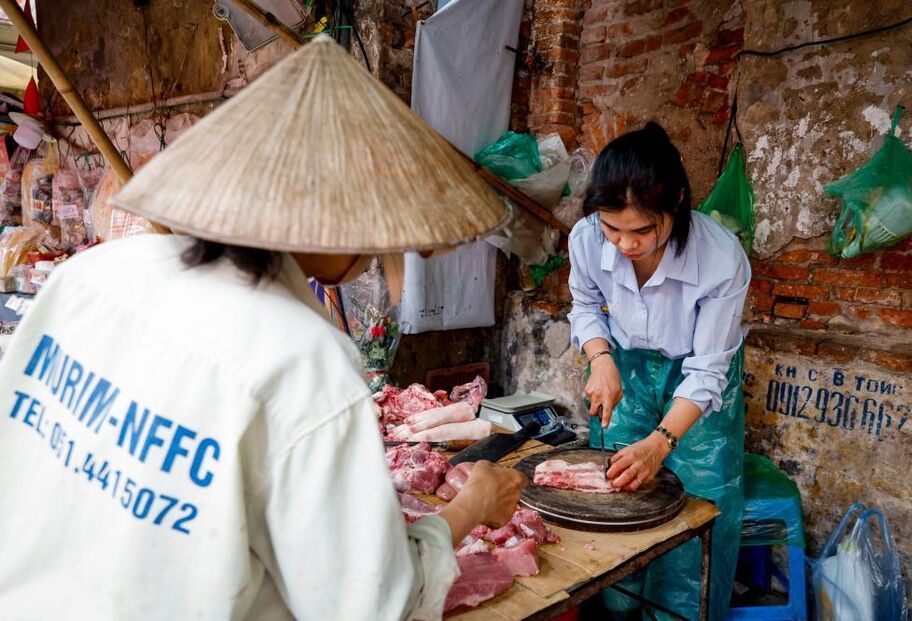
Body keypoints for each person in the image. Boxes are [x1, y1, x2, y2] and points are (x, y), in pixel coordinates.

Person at [0, 36, 523, 620]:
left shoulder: (90, 276)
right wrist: (470, 505)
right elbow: (370, 602)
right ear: (336, 227)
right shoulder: (305, 359)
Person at [568, 122, 750, 620]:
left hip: (697, 386)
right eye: (612, 228)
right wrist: (600, 358)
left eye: (643, 230)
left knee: (695, 514)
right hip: (625, 368)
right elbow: (584, 303)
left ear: (678, 204)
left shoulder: (719, 258)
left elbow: (710, 368)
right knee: (617, 501)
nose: (625, 244)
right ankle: (615, 613)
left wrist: (662, 441)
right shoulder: (585, 239)